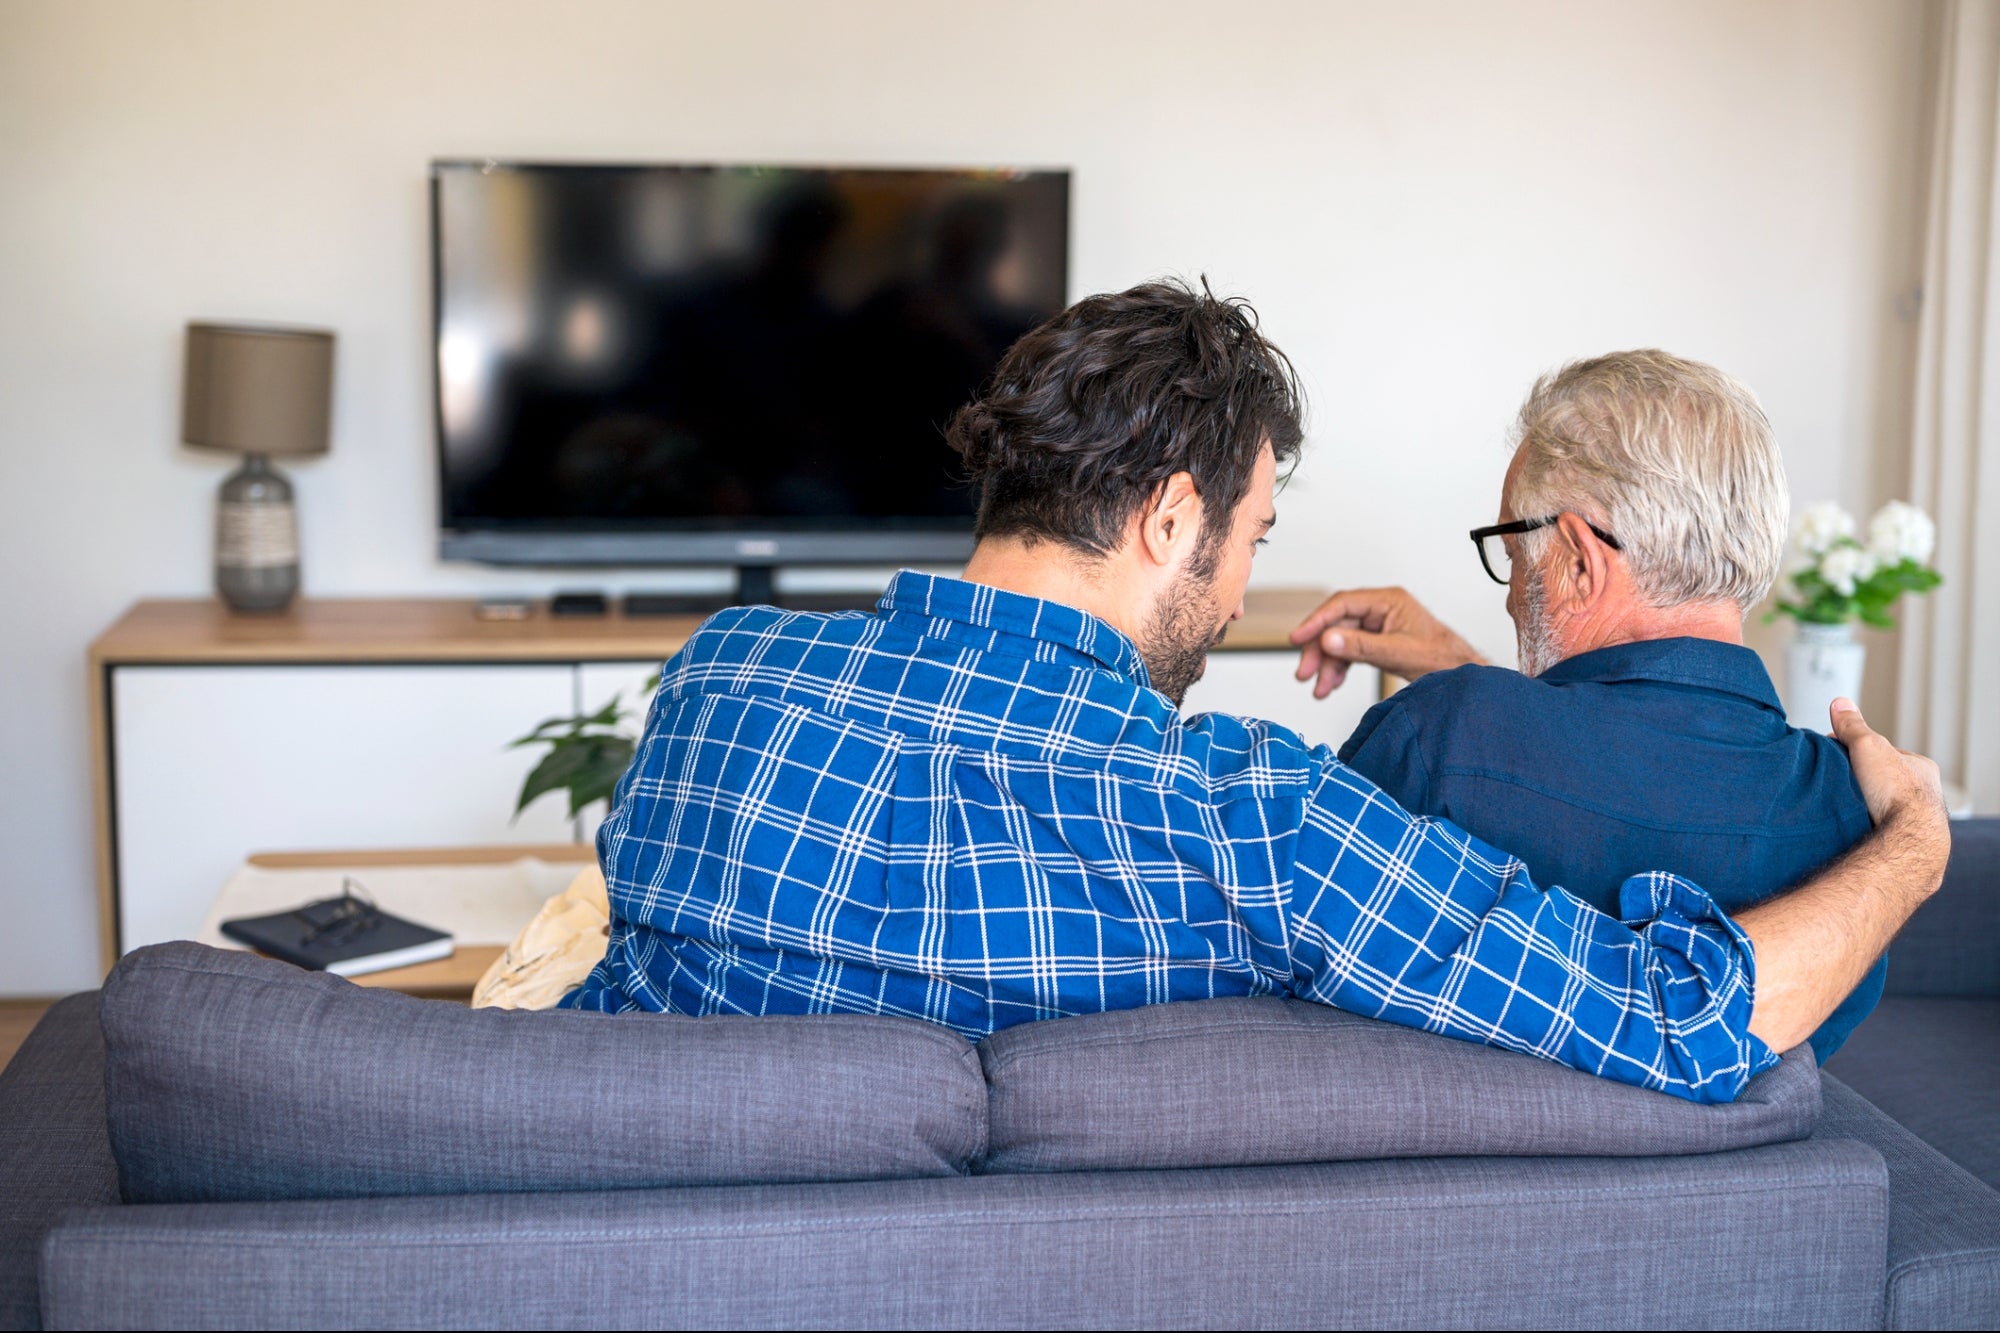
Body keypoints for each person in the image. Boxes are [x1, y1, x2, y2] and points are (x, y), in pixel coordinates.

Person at [563, 281, 1949, 1104]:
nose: (1236, 599)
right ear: (1171, 518)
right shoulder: (1251, 825)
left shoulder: (715, 681)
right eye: (1251, 540)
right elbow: (1681, 1020)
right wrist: (1908, 847)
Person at [1289, 351, 1878, 1061]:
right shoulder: (1857, 833)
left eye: (1513, 553)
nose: (1511, 596)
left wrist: (1460, 696)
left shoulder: (1438, 742)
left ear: (1577, 561)